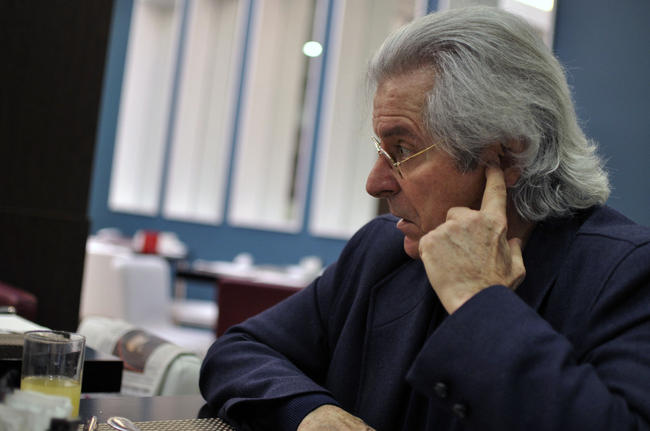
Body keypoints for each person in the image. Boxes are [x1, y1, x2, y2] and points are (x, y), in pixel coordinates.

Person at [200, 6, 650, 430]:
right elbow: (239, 352)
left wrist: (479, 302)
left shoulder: (625, 274)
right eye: (381, 150)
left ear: (506, 157)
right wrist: (310, 412)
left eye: (403, 150)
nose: (375, 184)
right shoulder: (381, 251)